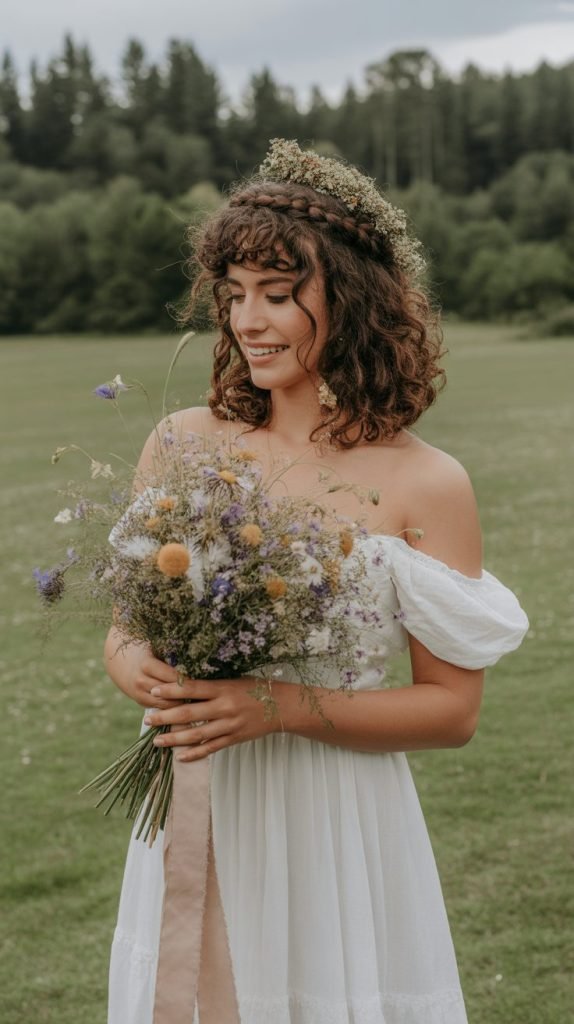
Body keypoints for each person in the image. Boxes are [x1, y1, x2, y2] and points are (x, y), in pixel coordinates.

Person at [104, 139, 528, 1024]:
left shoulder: (426, 481)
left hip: (339, 823)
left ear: (352, 298)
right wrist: (133, 662)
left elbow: (452, 712)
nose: (248, 321)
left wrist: (279, 707)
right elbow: (123, 627)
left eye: (278, 294)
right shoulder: (183, 444)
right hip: (203, 805)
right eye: (234, 296)